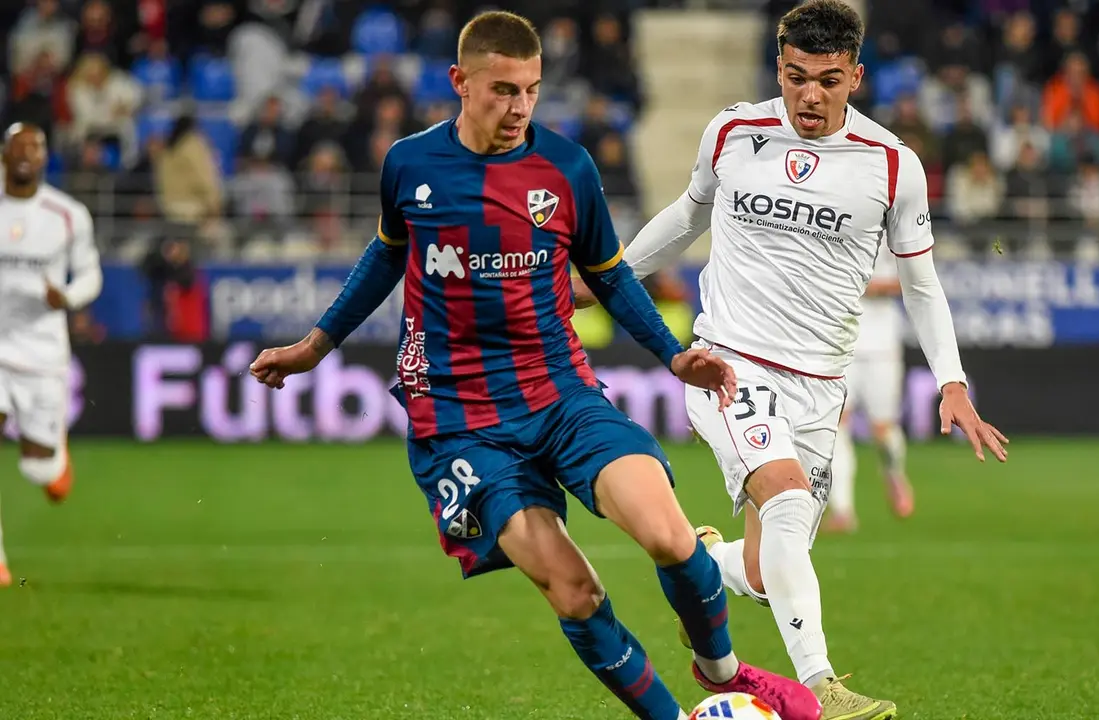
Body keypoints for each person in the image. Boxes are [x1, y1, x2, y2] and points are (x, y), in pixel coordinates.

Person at [248, 12, 820, 720]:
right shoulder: (411, 164)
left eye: (531, 91)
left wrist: (672, 355)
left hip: (559, 392)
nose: (519, 107)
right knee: (575, 591)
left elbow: (609, 275)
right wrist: (317, 343)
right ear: (459, 82)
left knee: (671, 537)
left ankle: (723, 672)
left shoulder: (566, 168)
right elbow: (388, 252)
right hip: (458, 423)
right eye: (503, 90)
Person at [574, 2, 1008, 718]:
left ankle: (699, 566)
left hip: (819, 385)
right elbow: (686, 216)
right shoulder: (735, 131)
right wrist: (603, 284)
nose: (810, 95)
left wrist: (952, 382)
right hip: (729, 364)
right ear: (778, 66)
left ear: (856, 77)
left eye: (828, 80)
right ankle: (821, 686)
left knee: (767, 569)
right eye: (796, 77)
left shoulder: (892, 165)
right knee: (783, 502)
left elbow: (921, 284)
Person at [0, 123, 102, 588]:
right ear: (4, 154)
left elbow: (90, 275)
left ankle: (53, 455)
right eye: (18, 147)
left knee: (43, 471)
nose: (26, 156)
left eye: (35, 149)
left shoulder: (67, 214)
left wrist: (67, 297)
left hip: (41, 353)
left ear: (45, 159)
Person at [823, 240, 913, 534]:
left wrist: (872, 286)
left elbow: (916, 277)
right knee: (837, 424)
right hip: (842, 343)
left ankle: (893, 472)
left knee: (883, 429)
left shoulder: (893, 231)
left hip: (882, 345)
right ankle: (843, 510)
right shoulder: (836, 224)